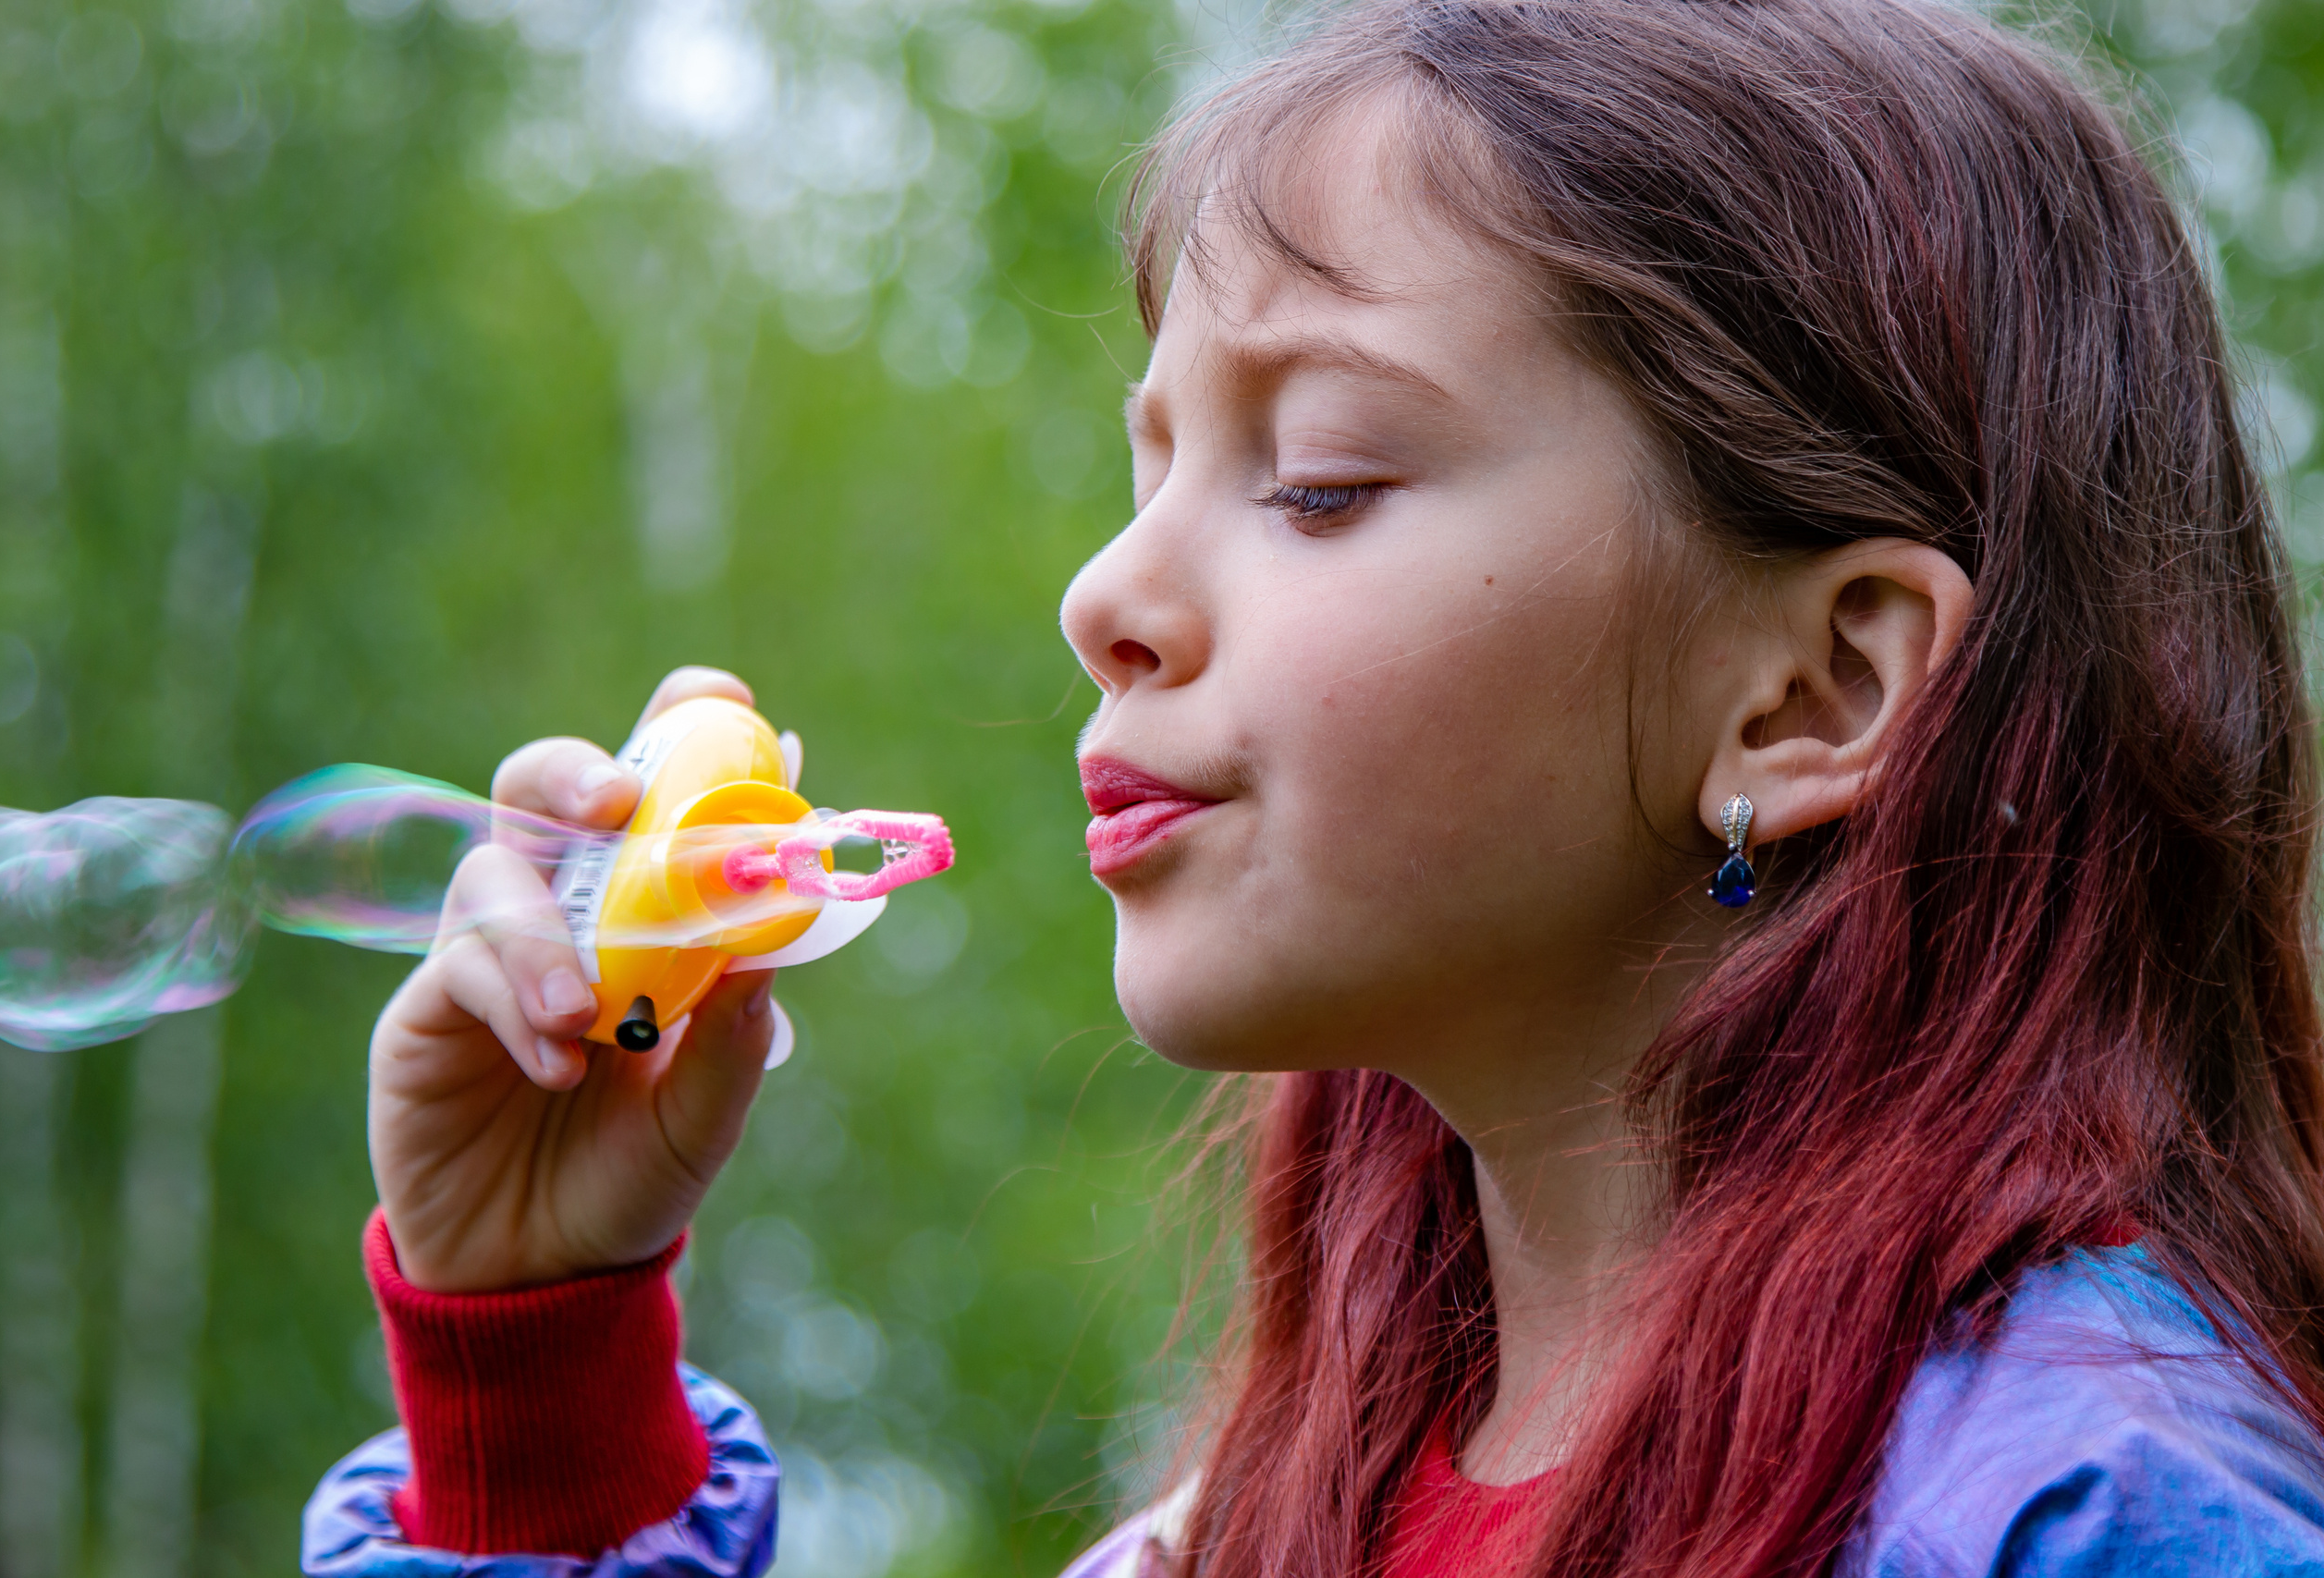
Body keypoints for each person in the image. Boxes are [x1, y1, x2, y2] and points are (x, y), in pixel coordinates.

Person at [301, 0, 2324, 1573]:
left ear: (1810, 686)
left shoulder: (2089, 1513)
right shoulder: (1244, 1523)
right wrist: (538, 1353)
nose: (1105, 593)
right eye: (1146, 463)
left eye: (1319, 479)